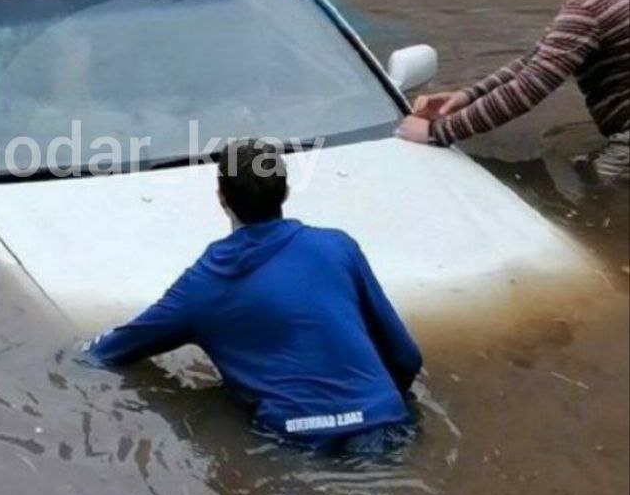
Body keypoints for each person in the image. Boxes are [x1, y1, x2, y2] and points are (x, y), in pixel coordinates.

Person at [80, 139, 423, 450]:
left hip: (297, 443)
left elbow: (106, 352)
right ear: (286, 191)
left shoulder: (201, 287)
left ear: (222, 199)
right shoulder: (337, 248)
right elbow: (406, 357)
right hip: (387, 427)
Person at [397, 0, 629, 183]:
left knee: (596, 194)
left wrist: (438, 132)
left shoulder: (584, 12)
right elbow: (534, 60)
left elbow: (525, 91)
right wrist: (467, 97)